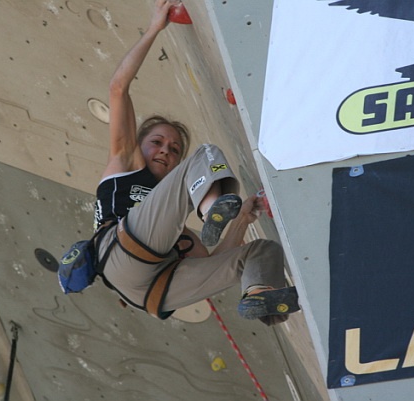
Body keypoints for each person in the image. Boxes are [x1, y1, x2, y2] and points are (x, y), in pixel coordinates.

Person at [93, 0, 299, 325]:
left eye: (174, 149)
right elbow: (118, 89)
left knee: (263, 251)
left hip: (153, 291)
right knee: (205, 154)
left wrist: (242, 220)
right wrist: (154, 28)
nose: (166, 150)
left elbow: (214, 261)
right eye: (157, 142)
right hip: (119, 252)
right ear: (138, 146)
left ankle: (261, 295)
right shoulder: (125, 164)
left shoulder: (171, 227)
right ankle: (212, 205)